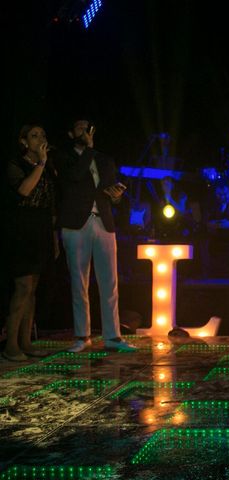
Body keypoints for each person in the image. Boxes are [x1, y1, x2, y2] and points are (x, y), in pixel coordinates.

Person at [56, 117, 136, 353]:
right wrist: (88, 150)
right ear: (71, 134)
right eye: (79, 127)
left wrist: (116, 196)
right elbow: (75, 177)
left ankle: (113, 336)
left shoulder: (104, 159)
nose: (84, 130)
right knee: (79, 282)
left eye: (87, 127)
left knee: (109, 281)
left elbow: (110, 191)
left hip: (103, 222)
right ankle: (83, 336)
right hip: (76, 224)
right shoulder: (64, 157)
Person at [2, 125, 57, 361]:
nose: (40, 139)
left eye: (43, 135)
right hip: (21, 229)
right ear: (23, 142)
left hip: (41, 229)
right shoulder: (16, 164)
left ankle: (26, 342)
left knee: (33, 289)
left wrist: (54, 238)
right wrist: (41, 164)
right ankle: (10, 345)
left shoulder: (48, 167)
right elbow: (24, 190)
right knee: (22, 287)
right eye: (34, 136)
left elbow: (51, 203)